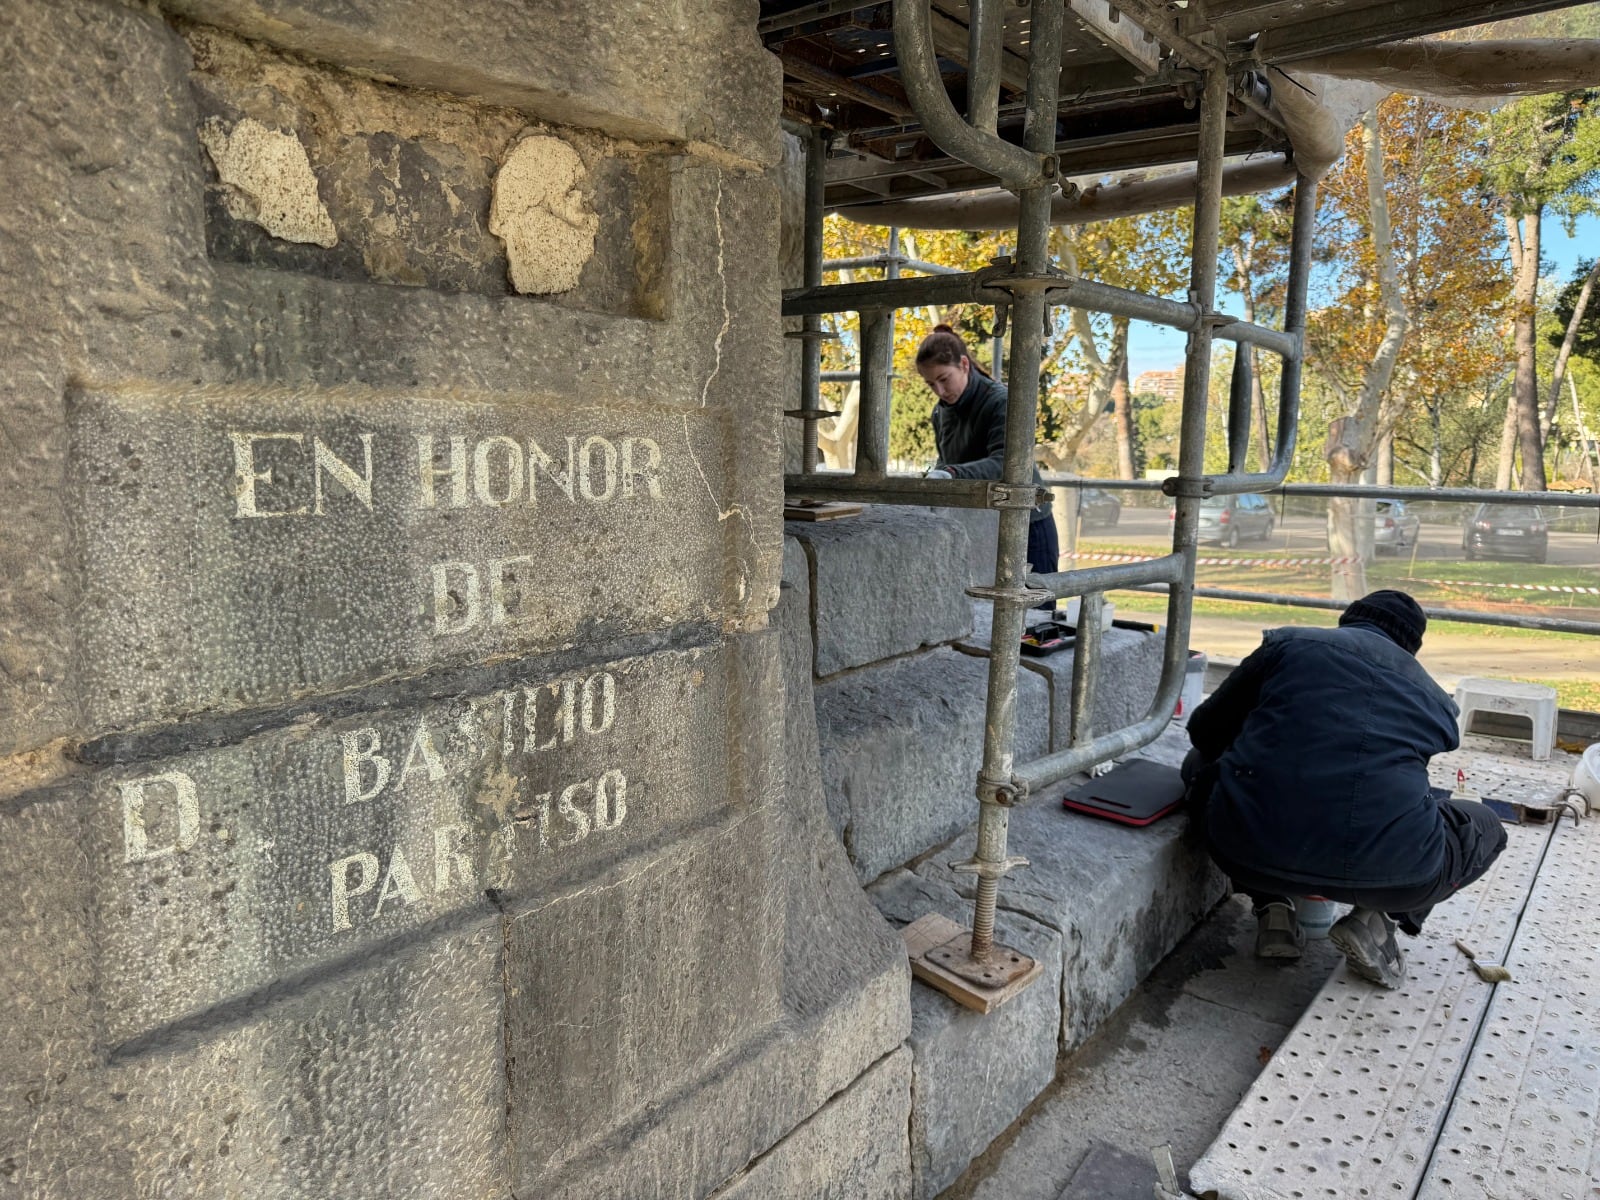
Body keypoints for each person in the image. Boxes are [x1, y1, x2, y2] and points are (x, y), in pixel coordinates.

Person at [1180, 589, 1507, 988]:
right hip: (1397, 876)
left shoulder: (1290, 645)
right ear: (1411, 647)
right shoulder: (1436, 701)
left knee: (1199, 767)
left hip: (1244, 853)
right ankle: (1375, 920)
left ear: (1347, 620)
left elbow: (1204, 731)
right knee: (1485, 826)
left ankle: (1273, 907)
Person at [914, 325, 1058, 598]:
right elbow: (946, 460)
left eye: (944, 379)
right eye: (931, 384)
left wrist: (950, 474)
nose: (940, 390)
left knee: (1036, 619)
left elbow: (1008, 463)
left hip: (1027, 526)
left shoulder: (1001, 402)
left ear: (964, 364)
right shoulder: (940, 413)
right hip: (980, 525)